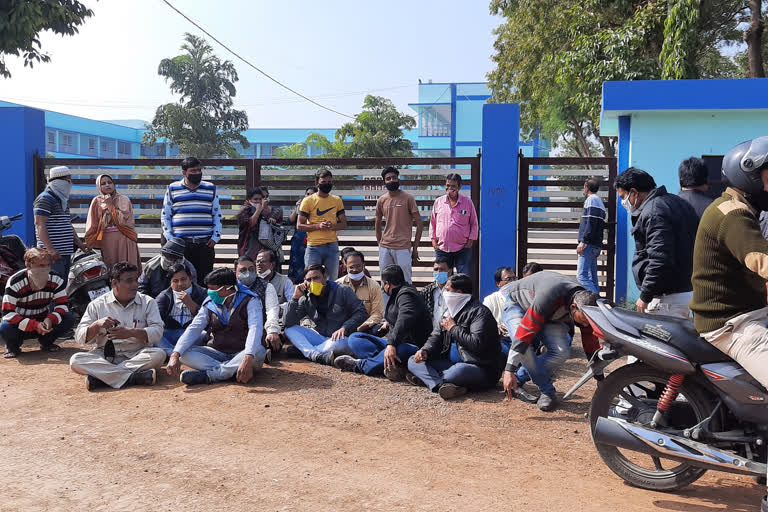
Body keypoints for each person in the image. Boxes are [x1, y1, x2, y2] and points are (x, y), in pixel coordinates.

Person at [690, 136, 768, 390]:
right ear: (750, 177)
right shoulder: (733, 214)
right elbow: (761, 260)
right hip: (731, 324)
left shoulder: (742, 209)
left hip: (748, 313)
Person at [501, 271, 600, 411]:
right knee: (525, 348)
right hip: (518, 305)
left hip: (551, 314)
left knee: (562, 352)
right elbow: (523, 336)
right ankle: (547, 391)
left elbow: (591, 344)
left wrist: (600, 378)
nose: (585, 326)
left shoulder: (587, 305)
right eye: (583, 321)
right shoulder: (549, 296)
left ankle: (518, 379)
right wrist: (508, 369)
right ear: (573, 308)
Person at [615, 167, 698, 318]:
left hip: (666, 300)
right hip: (683, 291)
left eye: (623, 196)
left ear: (633, 192)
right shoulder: (675, 201)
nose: (623, 202)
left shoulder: (654, 211)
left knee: (658, 340)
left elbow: (660, 259)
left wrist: (645, 295)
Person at [69, 262, 165, 391]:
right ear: (114, 283)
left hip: (137, 354)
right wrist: (96, 326)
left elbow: (158, 332)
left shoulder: (148, 302)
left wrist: (131, 332)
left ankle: (102, 378)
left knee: (159, 354)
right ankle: (134, 378)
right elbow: (79, 337)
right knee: (75, 360)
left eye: (136, 280)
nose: (135, 285)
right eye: (129, 281)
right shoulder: (97, 305)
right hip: (104, 356)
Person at [407, 274, 501, 400]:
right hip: (450, 363)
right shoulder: (449, 311)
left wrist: (453, 328)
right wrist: (425, 351)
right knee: (413, 360)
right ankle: (440, 385)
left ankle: (432, 380)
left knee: (457, 372)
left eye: (448, 289)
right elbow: (435, 336)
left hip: (479, 366)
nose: (444, 292)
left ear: (458, 293)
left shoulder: (479, 312)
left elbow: (476, 344)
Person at [166, 268, 266, 386]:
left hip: (242, 352)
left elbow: (255, 329)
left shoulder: (250, 301)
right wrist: (175, 354)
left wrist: (247, 357)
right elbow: (194, 328)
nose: (209, 292)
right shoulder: (210, 303)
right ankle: (230, 371)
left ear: (226, 288)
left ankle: (211, 376)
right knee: (183, 353)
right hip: (217, 352)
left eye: (212, 289)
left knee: (258, 350)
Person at [335, 264, 432, 379]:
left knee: (402, 349)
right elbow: (398, 316)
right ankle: (387, 364)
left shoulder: (407, 294)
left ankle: (361, 366)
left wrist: (391, 344)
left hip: (412, 346)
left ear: (387, 284)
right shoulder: (398, 292)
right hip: (395, 341)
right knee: (356, 338)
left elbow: (405, 318)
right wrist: (388, 324)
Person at [283, 264, 368, 365]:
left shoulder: (343, 290)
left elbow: (362, 312)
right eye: (309, 280)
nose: (312, 282)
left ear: (325, 277)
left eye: (316, 278)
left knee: (338, 344)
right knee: (290, 329)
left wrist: (345, 327)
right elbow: (288, 322)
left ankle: (304, 351)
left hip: (341, 338)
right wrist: (295, 298)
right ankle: (316, 355)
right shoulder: (306, 297)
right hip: (321, 339)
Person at [0, 248, 74, 358]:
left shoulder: (56, 279)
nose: (45, 269)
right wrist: (33, 325)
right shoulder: (15, 281)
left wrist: (50, 319)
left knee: (68, 318)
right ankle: (13, 347)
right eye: (41, 266)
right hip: (21, 323)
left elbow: (63, 305)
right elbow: (7, 313)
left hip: (43, 320)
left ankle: (47, 342)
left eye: (48, 265)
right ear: (29, 266)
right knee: (5, 326)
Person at [161, 157, 222, 286]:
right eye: (193, 170)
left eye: (199, 170)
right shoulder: (173, 188)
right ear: (184, 172)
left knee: (205, 280)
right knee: (181, 280)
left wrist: (216, 237)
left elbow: (217, 214)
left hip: (204, 244)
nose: (197, 173)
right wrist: (171, 239)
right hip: (181, 245)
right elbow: (166, 215)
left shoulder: (210, 188)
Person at [33, 165, 91, 279]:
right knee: (52, 285)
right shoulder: (45, 198)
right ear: (58, 181)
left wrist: (80, 244)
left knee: (61, 286)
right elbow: (40, 225)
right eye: (67, 180)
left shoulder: (62, 200)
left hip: (64, 252)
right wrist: (50, 249)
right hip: (51, 255)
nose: (69, 184)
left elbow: (67, 224)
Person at [375, 167, 423, 284]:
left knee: (405, 280)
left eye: (394, 177)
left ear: (398, 179)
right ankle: (387, 303)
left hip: (403, 247)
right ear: (384, 182)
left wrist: (415, 248)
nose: (392, 180)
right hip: (385, 247)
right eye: (388, 178)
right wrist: (379, 243)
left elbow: (420, 224)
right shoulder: (382, 200)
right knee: (385, 281)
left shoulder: (408, 198)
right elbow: (377, 222)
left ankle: (406, 302)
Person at [297, 169, 347, 281]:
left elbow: (344, 224)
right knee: (312, 279)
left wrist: (332, 226)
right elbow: (299, 226)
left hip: (332, 246)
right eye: (324, 182)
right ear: (317, 183)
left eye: (329, 182)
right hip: (314, 246)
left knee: (332, 280)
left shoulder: (337, 200)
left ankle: (331, 299)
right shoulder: (308, 201)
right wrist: (318, 226)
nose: (327, 184)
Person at [84, 174, 141, 272]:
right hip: (107, 240)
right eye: (103, 183)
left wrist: (110, 205)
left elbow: (123, 221)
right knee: (111, 270)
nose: (107, 185)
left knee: (127, 270)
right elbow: (93, 224)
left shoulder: (123, 199)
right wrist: (89, 241)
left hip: (124, 238)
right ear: (98, 186)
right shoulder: (96, 201)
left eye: (110, 182)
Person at [429, 173, 478, 275]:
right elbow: (433, 222)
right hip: (442, 248)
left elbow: (474, 223)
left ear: (459, 187)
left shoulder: (467, 202)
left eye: (453, 186)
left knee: (463, 278)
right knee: (442, 276)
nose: (450, 188)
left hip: (462, 249)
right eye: (447, 185)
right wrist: (434, 240)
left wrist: (470, 241)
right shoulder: (438, 202)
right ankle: (442, 292)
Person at [154, 263, 207, 356]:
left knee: (204, 335)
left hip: (192, 334)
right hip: (170, 333)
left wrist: (191, 305)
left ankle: (174, 354)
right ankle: (175, 354)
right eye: (175, 281)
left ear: (190, 278)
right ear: (170, 282)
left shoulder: (202, 293)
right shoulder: (164, 296)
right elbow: (155, 318)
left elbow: (209, 318)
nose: (180, 284)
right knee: (155, 335)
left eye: (183, 279)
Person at [234, 256, 282, 354]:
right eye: (243, 270)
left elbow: (272, 309)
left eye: (251, 269)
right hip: (235, 329)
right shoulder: (230, 287)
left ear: (256, 270)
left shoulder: (266, 286)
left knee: (270, 340)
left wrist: (272, 330)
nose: (247, 273)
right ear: (236, 273)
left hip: (259, 328)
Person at [335, 251, 384, 333]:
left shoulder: (374, 286)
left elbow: (377, 313)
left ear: (363, 265)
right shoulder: (338, 285)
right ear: (345, 266)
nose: (355, 270)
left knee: (377, 329)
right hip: (342, 327)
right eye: (351, 267)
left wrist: (364, 325)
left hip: (365, 326)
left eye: (358, 266)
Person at [576, 178, 606, 294]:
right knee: (592, 277)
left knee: (582, 276)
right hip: (595, 245)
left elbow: (590, 223)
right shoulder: (599, 201)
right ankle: (599, 306)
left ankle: (597, 301)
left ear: (586, 188)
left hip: (589, 244)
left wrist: (583, 242)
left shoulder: (591, 200)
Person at [482, 266, 516, 356]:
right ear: (498, 284)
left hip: (520, 339)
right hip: (501, 340)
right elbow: (482, 322)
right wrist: (495, 327)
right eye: (508, 279)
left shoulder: (522, 298)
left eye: (514, 278)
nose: (512, 282)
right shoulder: (490, 300)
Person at [288, 186, 318, 283]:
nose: (309, 196)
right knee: (296, 261)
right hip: (298, 240)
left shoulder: (318, 207)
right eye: (307, 194)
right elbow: (290, 221)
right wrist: (297, 208)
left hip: (312, 239)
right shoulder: (301, 206)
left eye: (312, 194)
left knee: (310, 262)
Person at [420, 257, 453, 330]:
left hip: (450, 333)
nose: (438, 272)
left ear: (449, 271)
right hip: (431, 333)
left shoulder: (455, 291)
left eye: (442, 269)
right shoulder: (426, 291)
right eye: (436, 269)